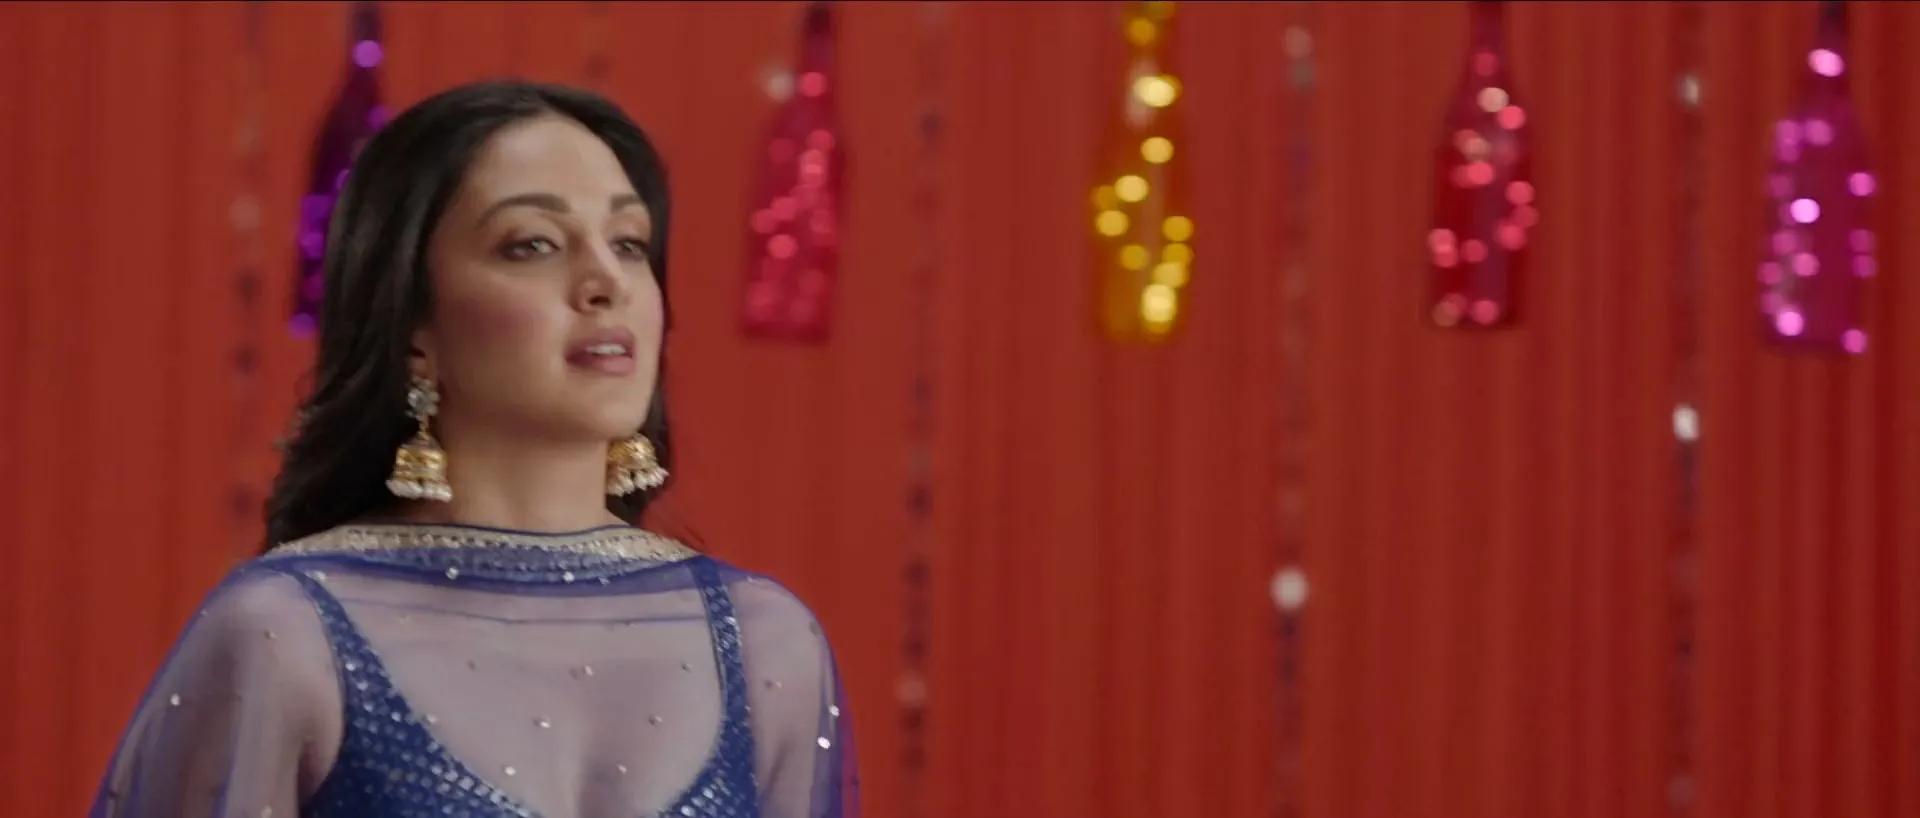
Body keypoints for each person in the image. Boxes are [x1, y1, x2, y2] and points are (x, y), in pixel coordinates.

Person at [88, 80, 857, 818]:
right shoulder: (287, 635)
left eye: (629, 244)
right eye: (532, 245)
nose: (606, 282)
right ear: (413, 329)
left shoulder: (764, 645)